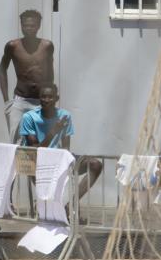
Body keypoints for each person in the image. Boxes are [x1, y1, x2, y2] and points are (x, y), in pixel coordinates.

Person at [19, 84, 102, 215]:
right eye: (43, 97)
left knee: (95, 165)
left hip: (58, 157)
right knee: (50, 202)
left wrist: (65, 163)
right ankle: (45, 202)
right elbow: (35, 149)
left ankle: (72, 204)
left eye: (50, 97)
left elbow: (65, 148)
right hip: (37, 161)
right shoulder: (29, 117)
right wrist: (54, 131)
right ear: (39, 99)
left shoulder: (64, 116)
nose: (46, 100)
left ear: (56, 98)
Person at [0, 10, 55, 143]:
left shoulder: (47, 46)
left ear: (38, 26)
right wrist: (7, 100)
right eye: (25, 25)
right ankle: (15, 164)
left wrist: (50, 98)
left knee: (41, 140)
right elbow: (2, 69)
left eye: (32, 26)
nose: (28, 29)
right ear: (21, 26)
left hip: (40, 102)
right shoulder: (12, 46)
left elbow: (50, 72)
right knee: (16, 140)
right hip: (20, 100)